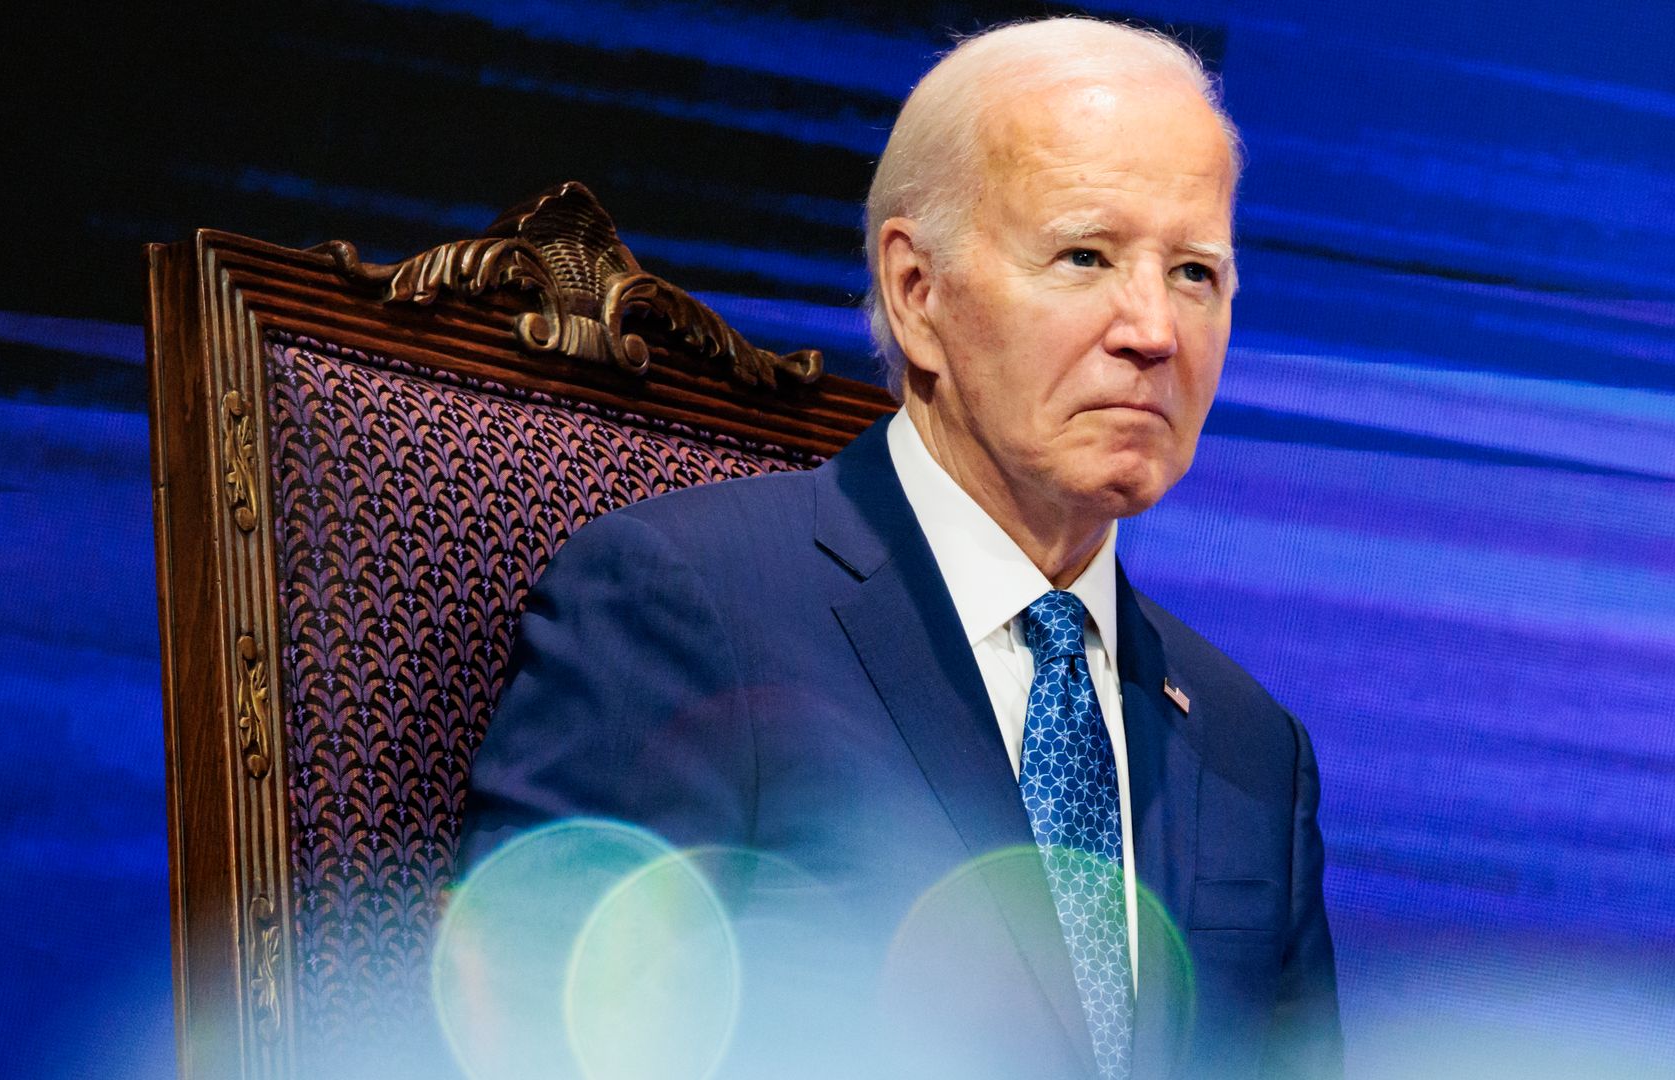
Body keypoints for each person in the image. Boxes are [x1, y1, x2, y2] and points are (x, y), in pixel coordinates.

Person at [459, 16, 1341, 1080]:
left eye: (1195, 272)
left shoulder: (1253, 749)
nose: (1154, 329)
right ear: (919, 294)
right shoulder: (682, 607)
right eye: (1085, 255)